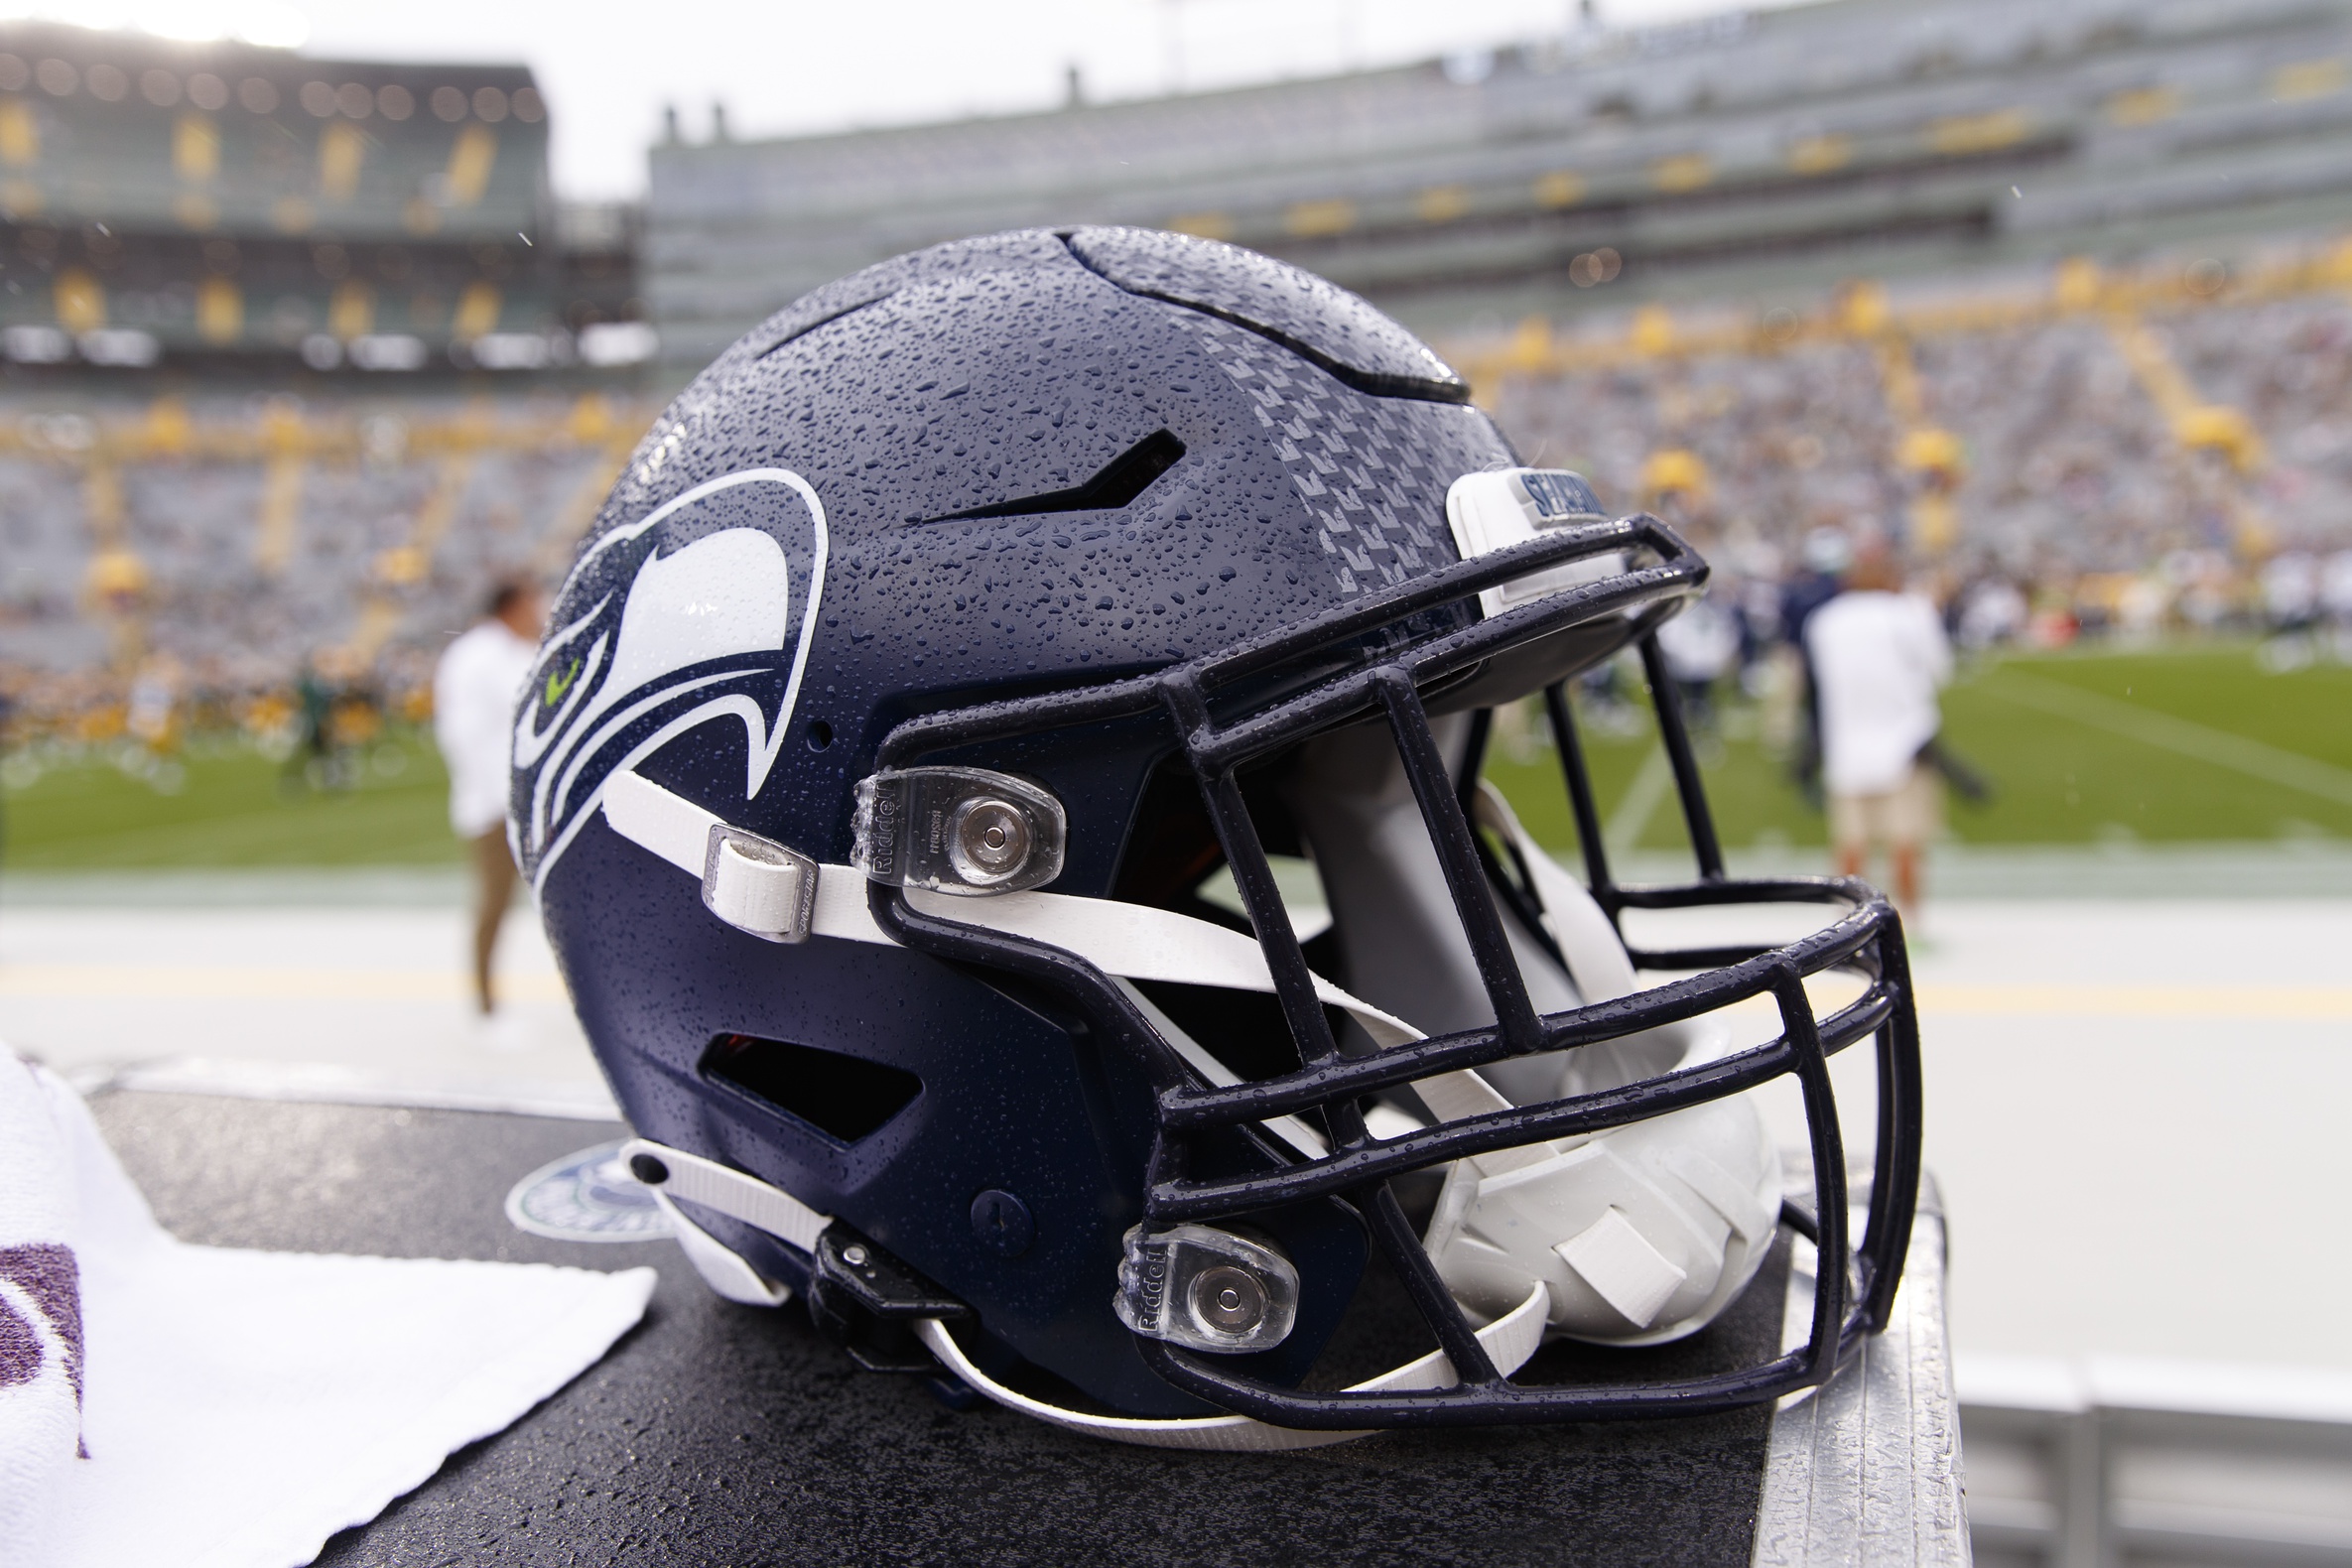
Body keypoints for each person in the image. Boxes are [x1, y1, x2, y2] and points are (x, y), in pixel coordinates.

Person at [1804, 544, 1952, 914]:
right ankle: (1909, 921)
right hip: (1904, 742)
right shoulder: (1907, 612)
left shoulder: (1825, 620)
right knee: (1906, 840)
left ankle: (1847, 924)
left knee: (1851, 842)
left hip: (1846, 745)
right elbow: (1940, 670)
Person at [434, 579, 542, 1014]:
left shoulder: (501, 651)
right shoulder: (480, 656)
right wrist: (497, 800)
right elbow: (463, 735)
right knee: (496, 903)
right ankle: (484, 1004)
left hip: (516, 800)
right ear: (513, 606)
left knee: (552, 899)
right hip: (497, 804)